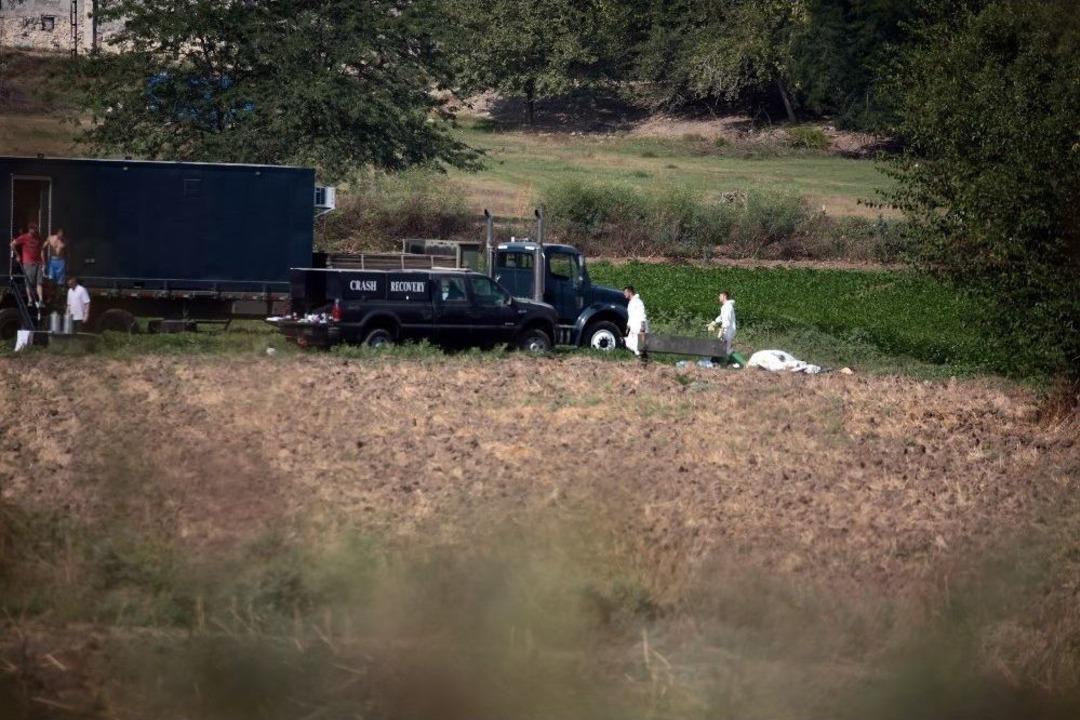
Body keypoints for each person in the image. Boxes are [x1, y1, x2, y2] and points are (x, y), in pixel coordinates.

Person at [10, 222, 44, 306]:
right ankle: (30, 300)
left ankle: (41, 300)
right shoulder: (24, 237)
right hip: (28, 263)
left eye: (36, 229)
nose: (35, 231)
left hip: (38, 262)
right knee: (29, 282)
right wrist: (18, 255)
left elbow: (41, 248)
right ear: (30, 229)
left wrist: (43, 262)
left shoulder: (38, 237)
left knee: (39, 282)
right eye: (34, 229)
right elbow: (12, 244)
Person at [706, 290, 737, 359]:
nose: (719, 297)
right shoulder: (725, 306)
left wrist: (722, 331)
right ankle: (722, 363)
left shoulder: (728, 306)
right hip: (727, 330)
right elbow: (721, 317)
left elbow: (727, 321)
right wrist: (713, 323)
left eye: (720, 296)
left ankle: (733, 362)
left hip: (728, 330)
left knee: (726, 349)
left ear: (724, 296)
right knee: (722, 348)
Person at [623, 285, 649, 362]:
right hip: (633, 328)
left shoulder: (638, 302)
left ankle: (642, 362)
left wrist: (642, 327)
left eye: (625, 293)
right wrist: (628, 326)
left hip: (639, 327)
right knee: (630, 343)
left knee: (639, 346)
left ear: (630, 292)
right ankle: (641, 359)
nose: (624, 294)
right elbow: (631, 316)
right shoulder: (631, 302)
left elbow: (642, 314)